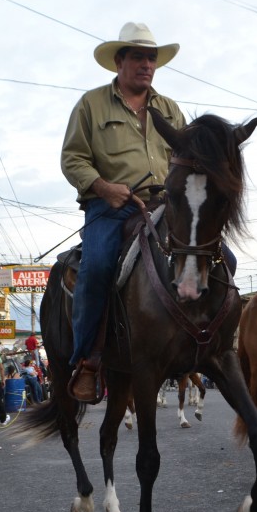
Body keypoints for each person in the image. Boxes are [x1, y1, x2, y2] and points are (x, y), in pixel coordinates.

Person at [60, 21, 185, 403]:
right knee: (96, 268)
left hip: (166, 205)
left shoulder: (170, 109)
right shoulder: (91, 104)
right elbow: (73, 158)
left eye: (151, 58)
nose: (146, 64)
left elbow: (185, 159)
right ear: (119, 61)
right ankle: (88, 361)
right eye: (138, 57)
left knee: (219, 256)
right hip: (111, 206)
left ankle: (207, 346)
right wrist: (103, 187)